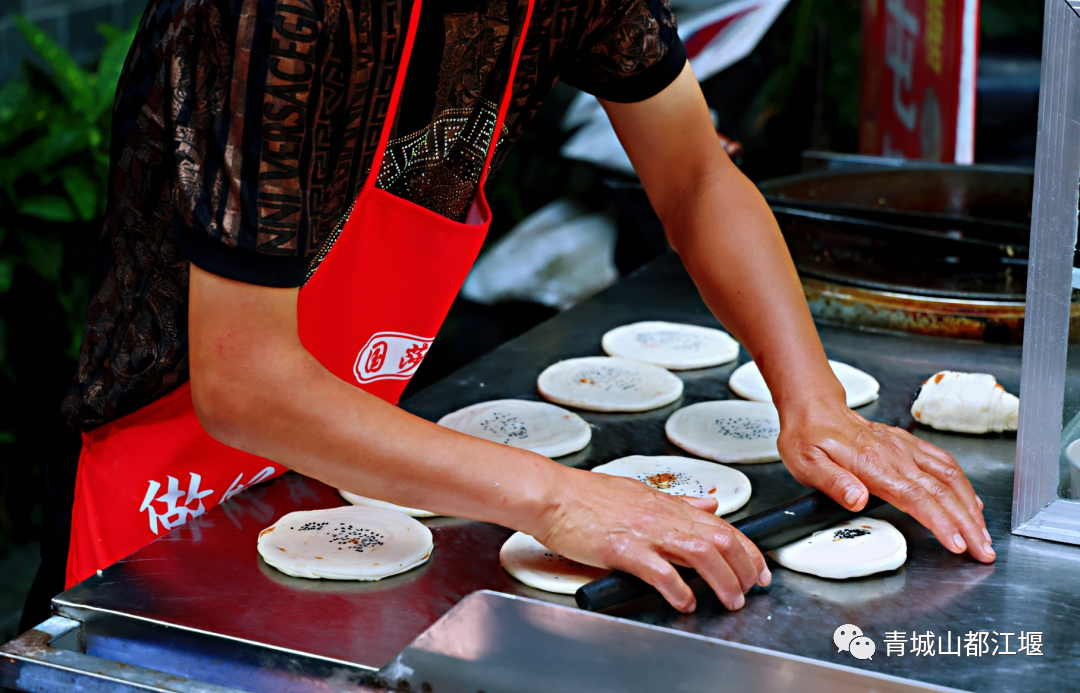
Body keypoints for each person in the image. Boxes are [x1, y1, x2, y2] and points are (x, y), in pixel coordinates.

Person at [22, 0, 993, 629]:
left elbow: (697, 174)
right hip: (162, 502)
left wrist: (814, 402)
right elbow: (245, 383)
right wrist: (560, 498)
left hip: (346, 473)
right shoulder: (278, 17)